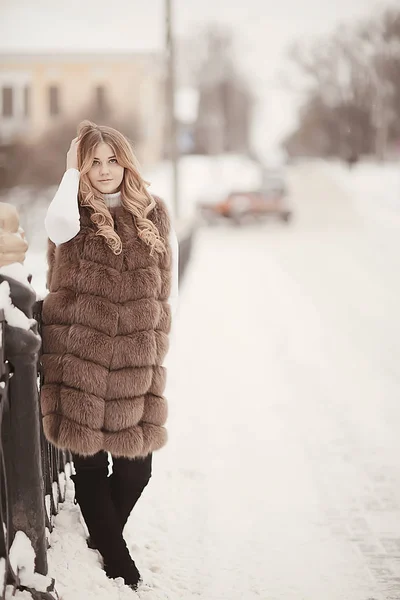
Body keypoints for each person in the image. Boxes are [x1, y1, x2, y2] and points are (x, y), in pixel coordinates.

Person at [40, 120, 178, 590]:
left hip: (136, 364)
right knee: (92, 467)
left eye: (111, 160)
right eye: (92, 162)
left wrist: (156, 344)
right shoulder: (72, 213)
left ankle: (99, 540)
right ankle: (120, 566)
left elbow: (165, 290)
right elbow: (56, 227)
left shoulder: (153, 214)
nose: (103, 170)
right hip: (81, 359)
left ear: (126, 161)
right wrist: (67, 174)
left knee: (138, 470)